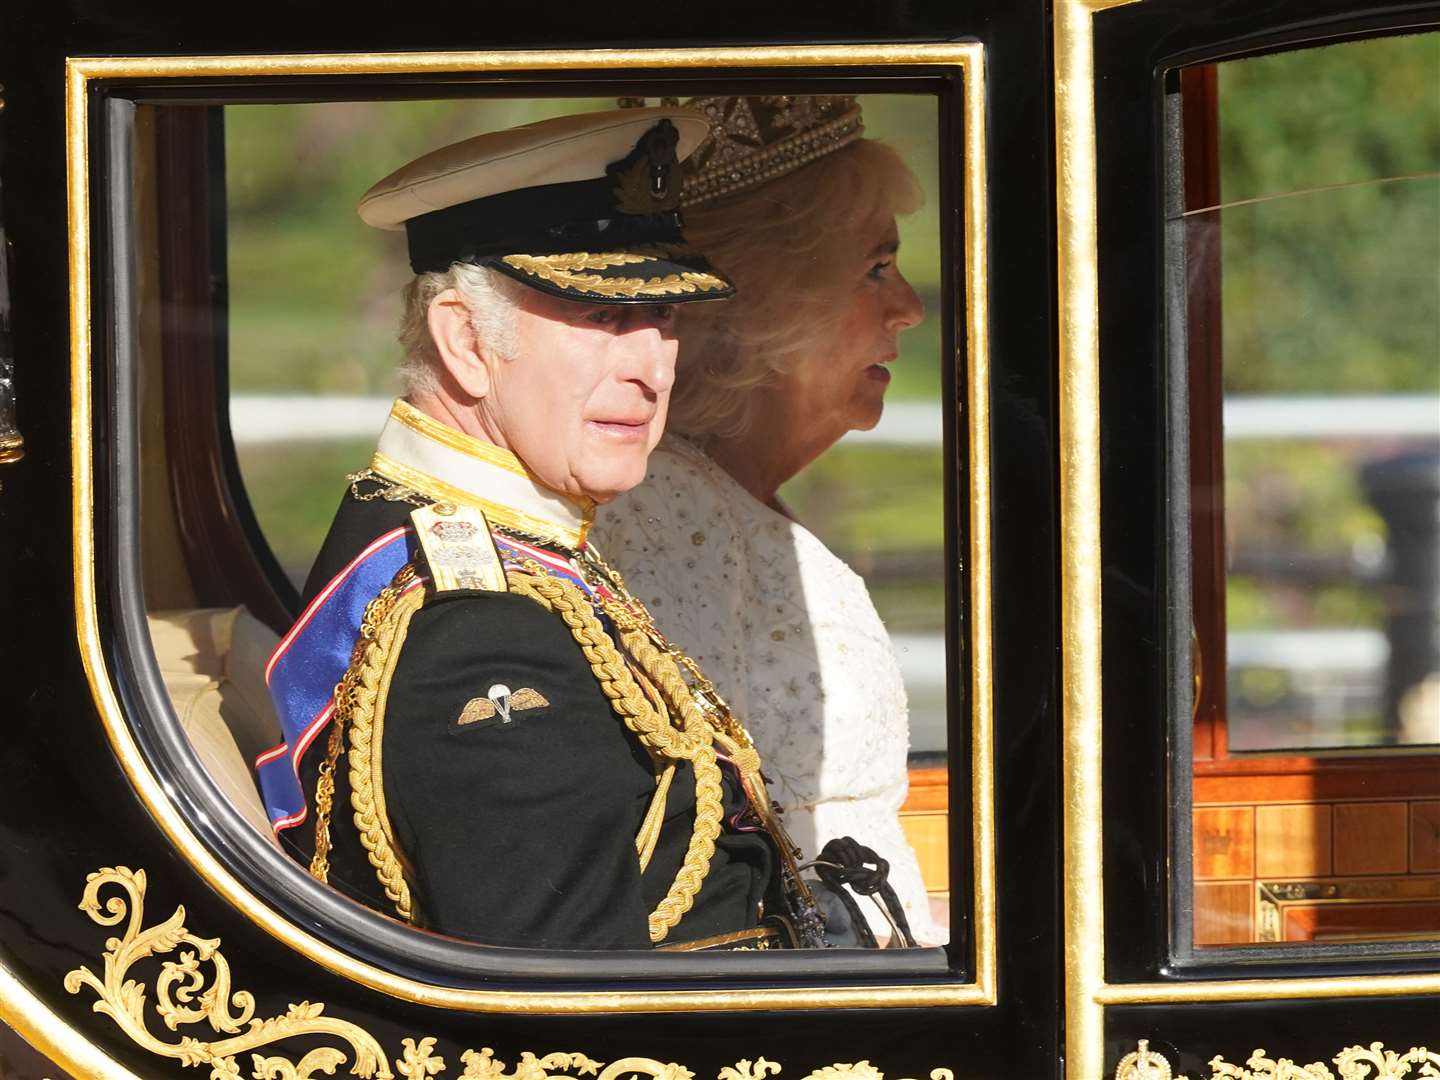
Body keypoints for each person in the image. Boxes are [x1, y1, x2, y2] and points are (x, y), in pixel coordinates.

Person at [252, 108, 800, 951]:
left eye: (668, 322)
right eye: (604, 320)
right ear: (467, 342)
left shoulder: (483, 542)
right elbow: (571, 1012)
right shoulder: (476, 634)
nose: (653, 369)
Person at [592, 96, 945, 944]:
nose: (909, 308)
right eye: (874, 270)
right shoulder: (666, 516)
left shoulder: (720, 499)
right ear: (769, 303)